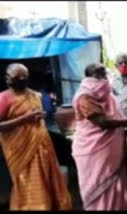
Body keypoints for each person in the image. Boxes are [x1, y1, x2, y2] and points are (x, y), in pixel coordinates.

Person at [72, 63, 127, 210]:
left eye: (104, 74)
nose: (103, 79)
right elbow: (103, 123)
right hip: (93, 152)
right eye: (98, 75)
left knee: (117, 189)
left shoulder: (110, 97)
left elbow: (120, 124)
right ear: (88, 78)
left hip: (113, 152)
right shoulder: (83, 98)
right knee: (100, 191)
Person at [0, 63, 72, 210]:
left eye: (24, 76)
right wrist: (24, 119)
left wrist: (40, 116)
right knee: (27, 183)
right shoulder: (3, 98)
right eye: (17, 77)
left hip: (42, 147)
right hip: (20, 151)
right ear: (7, 79)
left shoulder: (36, 96)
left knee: (46, 180)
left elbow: (39, 118)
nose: (21, 79)